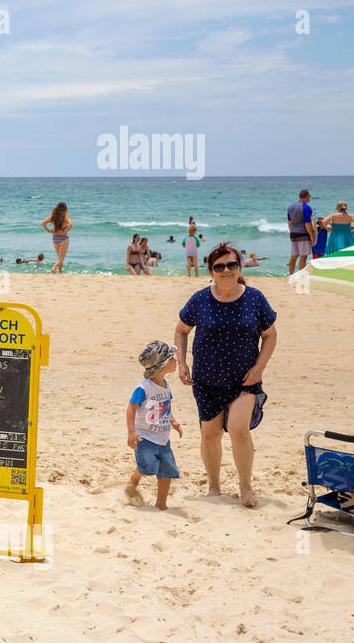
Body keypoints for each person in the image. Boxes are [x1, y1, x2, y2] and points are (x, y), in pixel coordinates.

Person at [174, 243, 277, 508]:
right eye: (219, 266)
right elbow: (181, 331)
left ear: (239, 267)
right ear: (211, 271)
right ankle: (214, 487)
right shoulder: (200, 299)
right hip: (206, 380)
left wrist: (260, 368)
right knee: (209, 435)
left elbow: (270, 335)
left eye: (231, 264)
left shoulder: (254, 298)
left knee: (239, 430)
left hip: (245, 379)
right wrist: (181, 363)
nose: (226, 270)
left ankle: (245, 487)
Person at [123, 341, 184, 510]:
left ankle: (161, 504)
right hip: (145, 438)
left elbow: (165, 406)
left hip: (163, 438)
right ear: (161, 365)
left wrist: (173, 421)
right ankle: (133, 482)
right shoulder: (144, 388)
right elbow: (131, 408)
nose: (175, 361)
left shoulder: (166, 384)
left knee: (166, 470)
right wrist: (131, 432)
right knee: (146, 466)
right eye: (171, 358)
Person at [287, 188, 316, 275]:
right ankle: (301, 276)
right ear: (306, 196)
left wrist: (292, 231)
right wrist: (312, 236)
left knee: (294, 255)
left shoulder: (291, 207)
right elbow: (308, 223)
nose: (309, 198)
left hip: (293, 233)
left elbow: (289, 222)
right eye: (309, 196)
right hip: (303, 233)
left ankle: (291, 275)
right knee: (303, 256)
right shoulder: (306, 207)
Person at [40, 201, 72, 274]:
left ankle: (60, 272)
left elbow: (42, 223)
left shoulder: (53, 216)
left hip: (55, 239)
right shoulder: (66, 216)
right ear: (65, 208)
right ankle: (54, 268)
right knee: (61, 258)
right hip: (64, 238)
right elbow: (71, 224)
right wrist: (65, 231)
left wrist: (49, 231)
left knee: (59, 257)